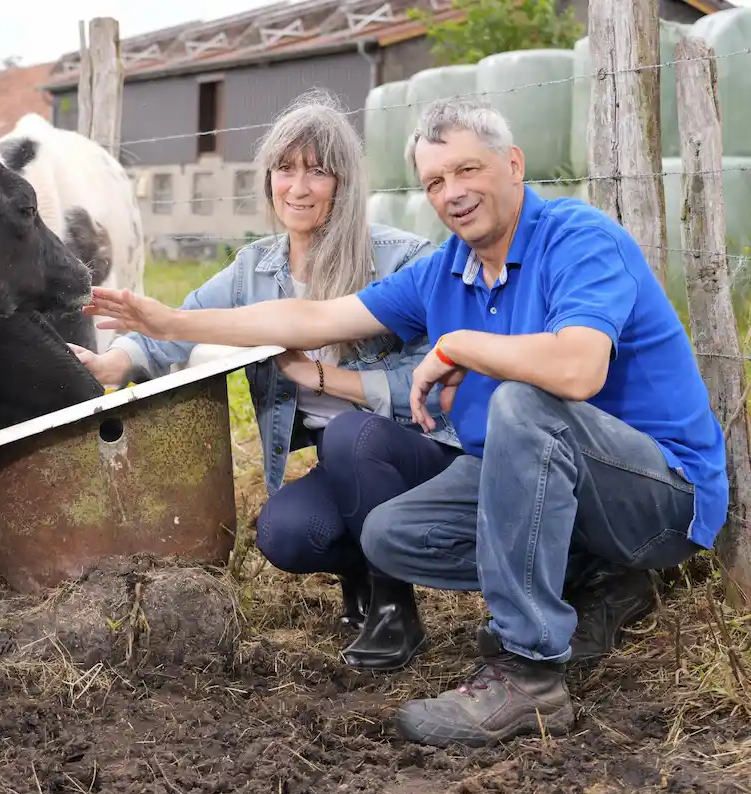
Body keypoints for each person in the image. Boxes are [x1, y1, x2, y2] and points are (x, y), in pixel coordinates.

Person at [80, 96, 725, 748]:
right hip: (564, 492)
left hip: (660, 497)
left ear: (513, 164)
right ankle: (594, 584)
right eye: (435, 182)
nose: (454, 193)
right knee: (391, 534)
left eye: (467, 170)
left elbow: (578, 370)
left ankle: (528, 674)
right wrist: (169, 324)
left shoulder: (579, 238)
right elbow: (313, 319)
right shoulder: (445, 270)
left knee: (522, 403)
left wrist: (458, 347)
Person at [69, 88, 461, 669]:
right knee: (285, 533)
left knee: (352, 434)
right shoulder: (257, 268)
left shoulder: (401, 259)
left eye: (317, 172)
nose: (297, 188)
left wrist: (321, 377)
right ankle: (359, 573)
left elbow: (437, 374)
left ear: (345, 185)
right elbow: (173, 329)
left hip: (421, 453)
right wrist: (113, 363)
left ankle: (394, 609)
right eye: (284, 169)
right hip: (346, 460)